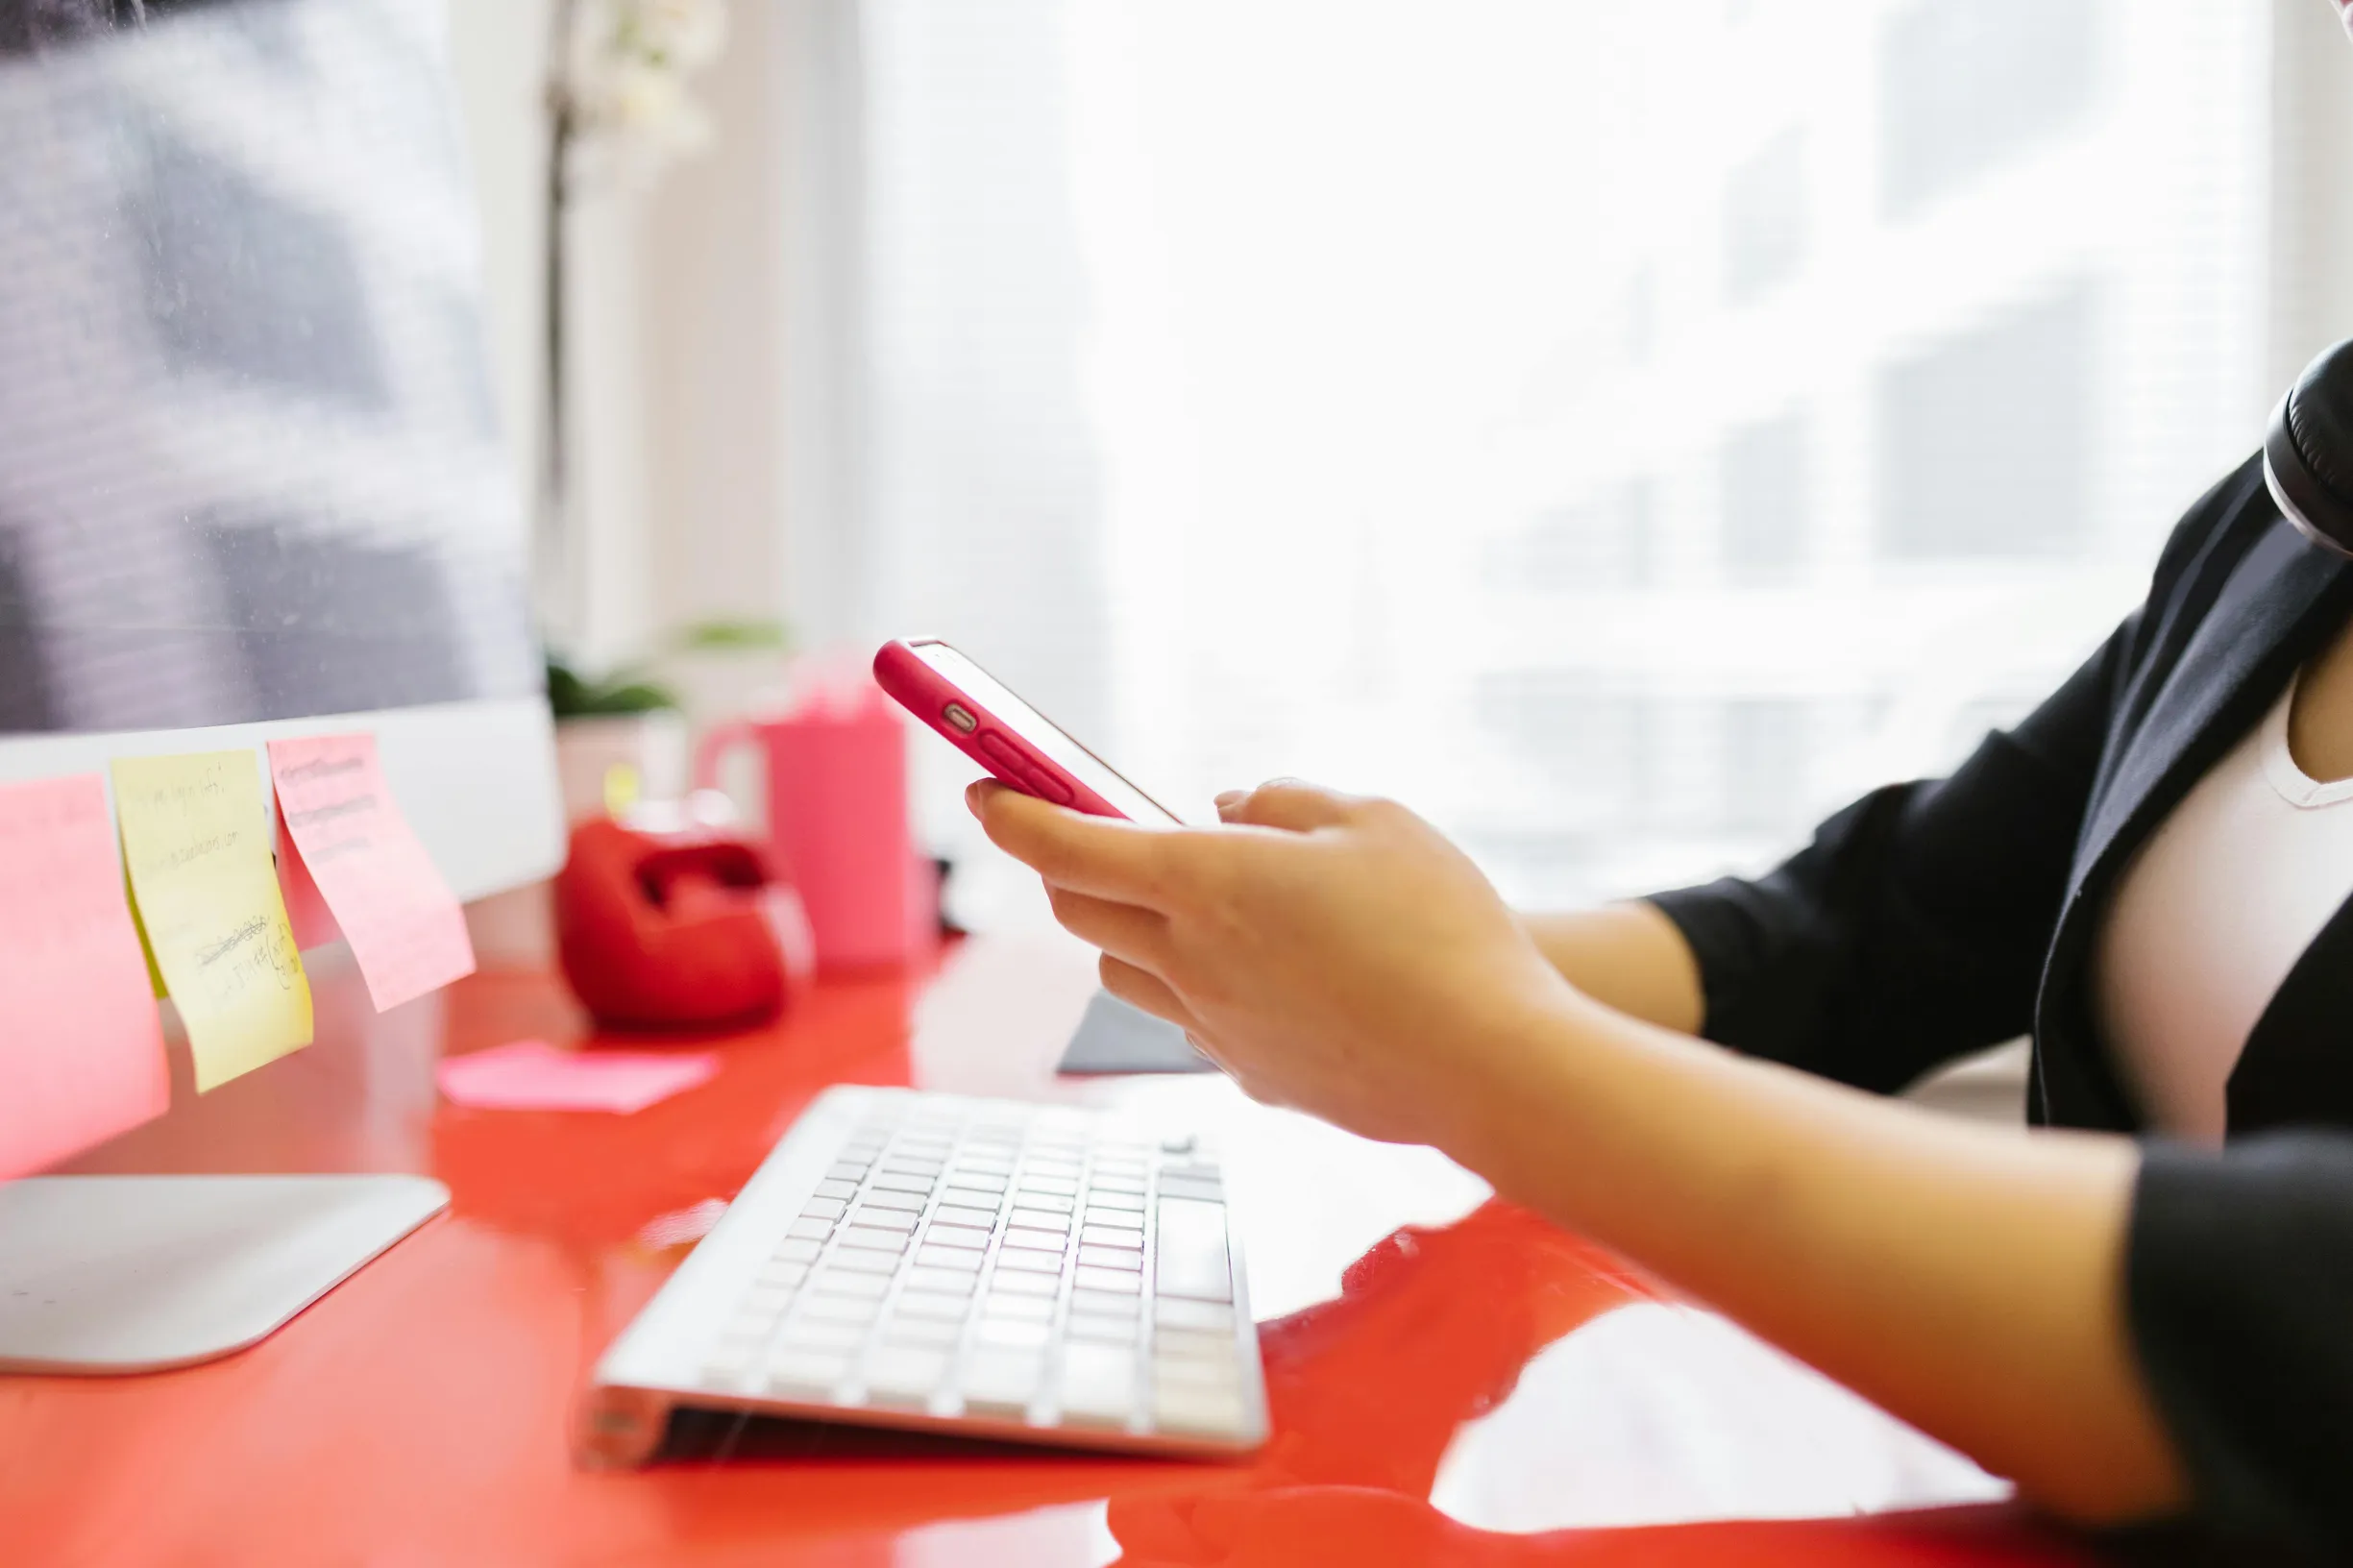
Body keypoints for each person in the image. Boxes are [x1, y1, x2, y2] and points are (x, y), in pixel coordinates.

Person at [969, 64, 2353, 1555]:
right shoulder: (2295, 509)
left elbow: (2301, 1315)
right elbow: (1869, 928)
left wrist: (1470, 1049)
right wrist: (1367, 959)